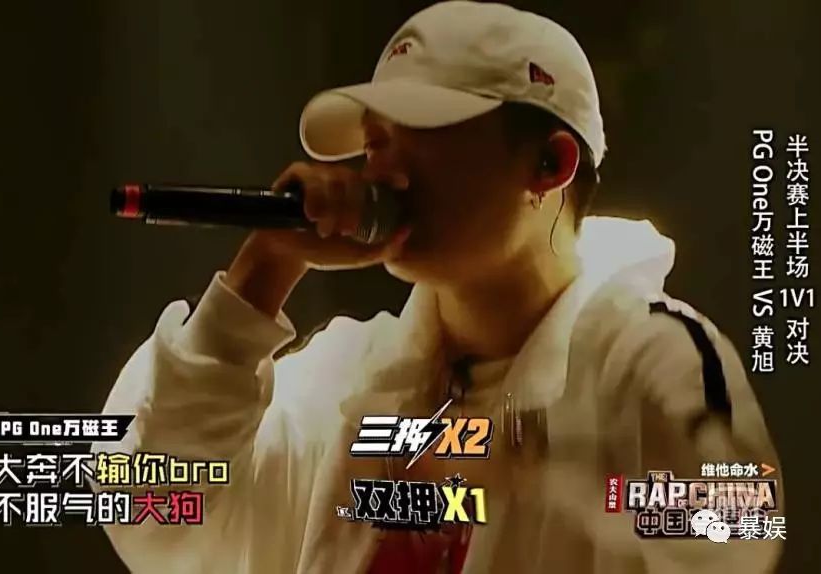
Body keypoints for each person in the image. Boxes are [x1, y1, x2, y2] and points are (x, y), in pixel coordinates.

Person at [92, 2, 783, 572]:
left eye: (424, 126)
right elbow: (153, 513)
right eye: (374, 139)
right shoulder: (346, 378)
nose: (379, 165)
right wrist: (264, 270)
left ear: (550, 163)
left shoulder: (646, 352)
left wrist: (544, 464)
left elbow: (743, 523)